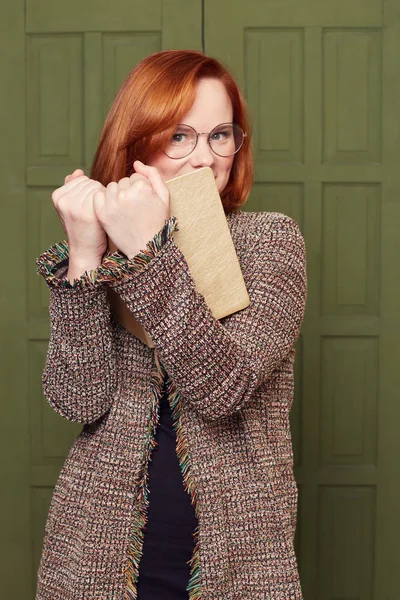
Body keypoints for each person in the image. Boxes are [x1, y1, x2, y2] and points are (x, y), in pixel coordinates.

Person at [35, 50, 307, 600]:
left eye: (220, 135)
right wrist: (87, 258)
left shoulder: (270, 242)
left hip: (238, 559)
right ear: (136, 145)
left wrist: (146, 256)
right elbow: (78, 400)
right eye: (179, 136)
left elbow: (222, 387)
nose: (204, 159)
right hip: (96, 551)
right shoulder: (108, 250)